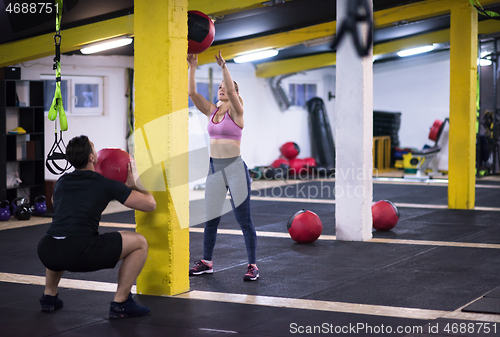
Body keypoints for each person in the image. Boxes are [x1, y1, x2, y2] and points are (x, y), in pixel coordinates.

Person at [37, 135, 156, 318]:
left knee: (61, 233)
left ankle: (49, 295)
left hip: (47, 250)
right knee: (139, 242)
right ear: (92, 157)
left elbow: (55, 201)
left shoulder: (61, 182)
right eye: (94, 148)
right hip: (80, 252)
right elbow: (150, 205)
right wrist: (136, 185)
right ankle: (121, 302)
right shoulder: (106, 184)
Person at [187, 51, 258, 281]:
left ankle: (252, 265)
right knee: (211, 219)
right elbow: (191, 93)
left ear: (235, 93)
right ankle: (207, 261)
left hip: (235, 169)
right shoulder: (212, 110)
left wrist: (224, 67)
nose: (221, 89)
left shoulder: (238, 113)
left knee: (244, 220)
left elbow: (230, 88)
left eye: (226, 87)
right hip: (215, 169)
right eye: (219, 87)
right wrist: (193, 66)